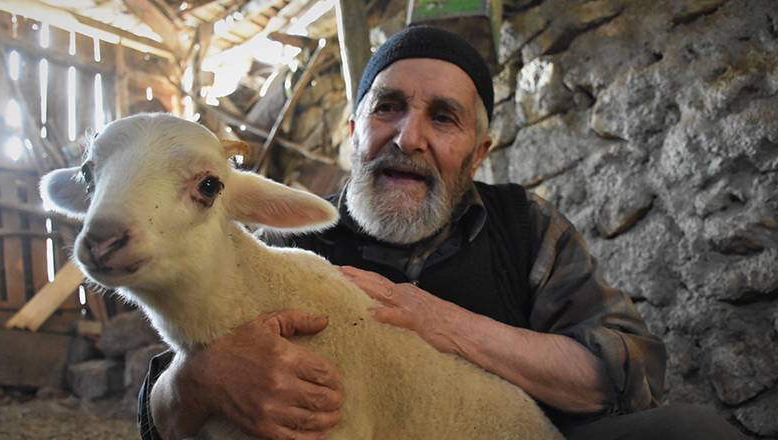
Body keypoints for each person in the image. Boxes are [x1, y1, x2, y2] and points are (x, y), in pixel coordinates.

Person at [137, 26, 741, 440]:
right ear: (355, 131)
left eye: (443, 118)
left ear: (478, 154)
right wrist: (201, 381)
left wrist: (446, 325)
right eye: (388, 108)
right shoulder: (291, 241)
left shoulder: (526, 229)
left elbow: (632, 369)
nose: (408, 137)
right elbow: (158, 413)